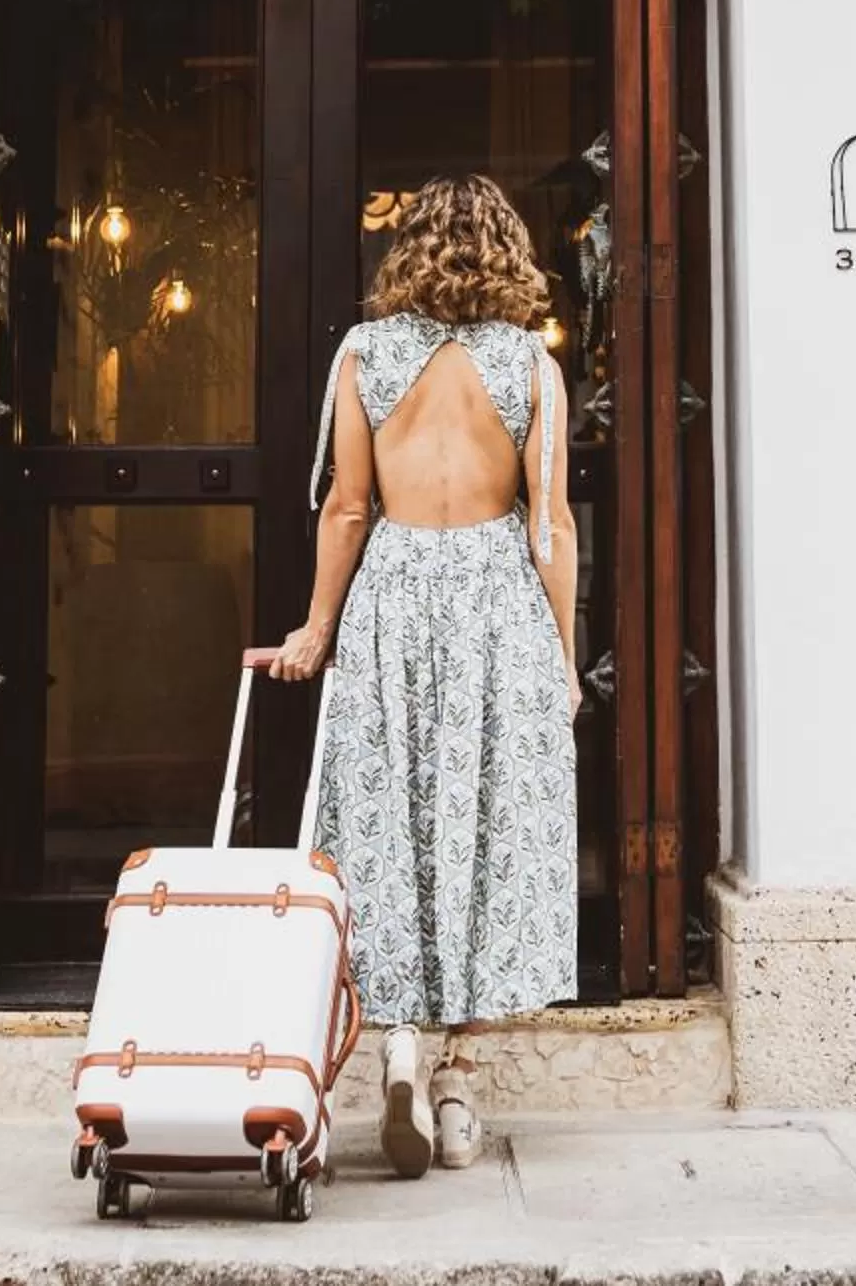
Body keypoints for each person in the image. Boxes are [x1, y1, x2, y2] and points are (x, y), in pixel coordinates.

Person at [271, 174, 580, 1178]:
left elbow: (347, 509)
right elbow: (551, 526)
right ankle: (455, 1085)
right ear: (507, 251)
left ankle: (397, 1039)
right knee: (487, 828)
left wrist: (317, 627)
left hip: (395, 589)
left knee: (385, 819)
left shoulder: (363, 355)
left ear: (405, 249)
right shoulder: (530, 363)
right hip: (497, 598)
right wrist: (567, 658)